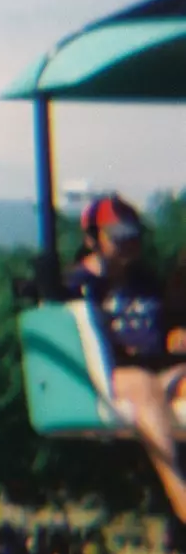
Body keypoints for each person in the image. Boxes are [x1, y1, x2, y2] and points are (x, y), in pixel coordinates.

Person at [63, 195, 186, 523]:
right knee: (144, 386)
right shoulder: (77, 286)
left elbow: (169, 325)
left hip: (162, 369)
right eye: (119, 237)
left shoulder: (146, 282)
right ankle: (180, 495)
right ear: (92, 239)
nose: (130, 244)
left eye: (133, 235)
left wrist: (176, 336)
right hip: (114, 376)